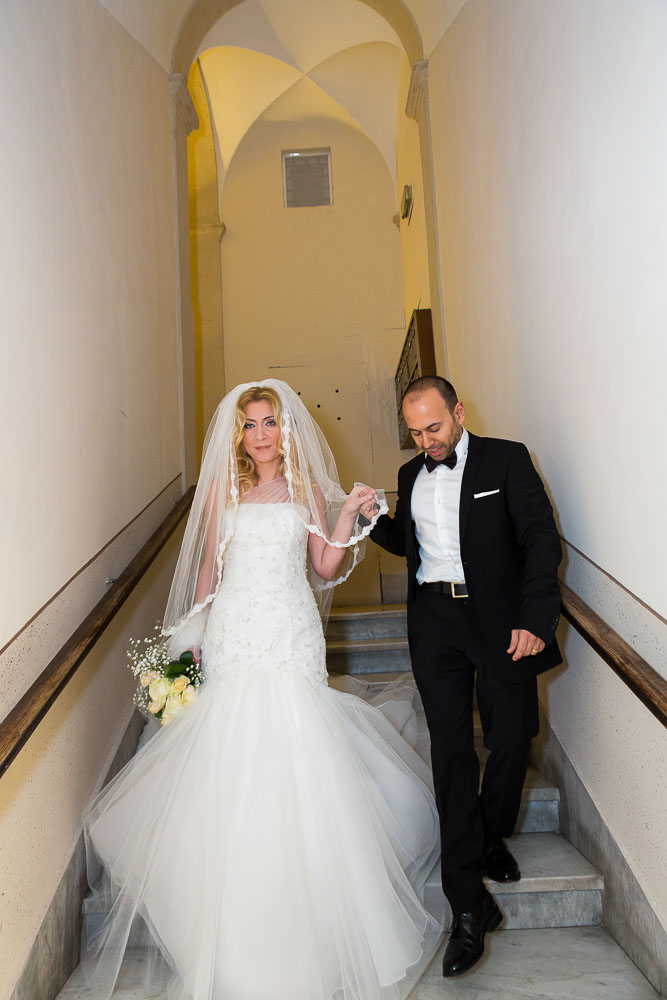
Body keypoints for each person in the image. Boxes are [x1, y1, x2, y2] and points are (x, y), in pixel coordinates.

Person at [81, 379, 445, 1000]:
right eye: (248, 425)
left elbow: (324, 566)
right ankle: (230, 934)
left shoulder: (305, 487)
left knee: (296, 756)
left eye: (268, 422)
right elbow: (207, 573)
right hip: (234, 633)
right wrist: (190, 639)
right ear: (239, 435)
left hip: (290, 631)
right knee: (230, 760)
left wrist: (345, 516)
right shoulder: (225, 487)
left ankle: (305, 927)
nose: (260, 435)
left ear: (286, 427)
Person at [368, 375, 562, 977]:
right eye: (415, 432)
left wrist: (535, 617)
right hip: (435, 622)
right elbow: (412, 541)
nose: (425, 441)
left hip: (501, 620)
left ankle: (490, 833)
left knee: (510, 737)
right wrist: (376, 518)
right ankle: (467, 908)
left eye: (434, 427)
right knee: (451, 753)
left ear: (458, 413)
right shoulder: (409, 476)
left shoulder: (507, 459)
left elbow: (539, 540)